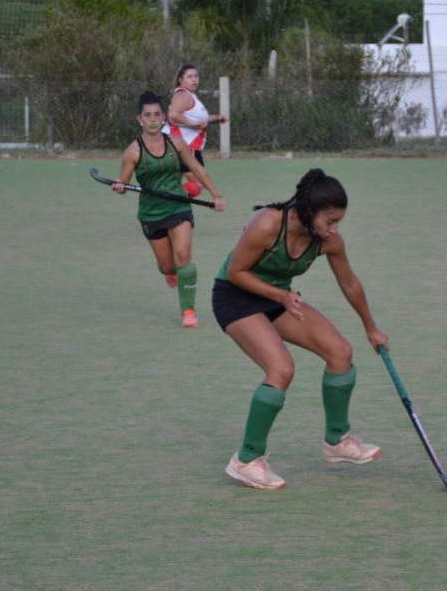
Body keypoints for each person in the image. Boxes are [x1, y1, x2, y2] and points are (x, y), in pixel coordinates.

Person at [214, 168, 389, 490]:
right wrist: (279, 294)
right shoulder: (268, 223)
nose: (334, 229)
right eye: (330, 221)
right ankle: (246, 460)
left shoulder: (328, 242)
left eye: (339, 221)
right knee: (281, 369)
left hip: (279, 298)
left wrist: (371, 327)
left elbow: (349, 282)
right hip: (235, 297)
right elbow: (237, 272)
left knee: (340, 352)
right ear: (309, 212)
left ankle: (337, 442)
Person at [113, 91, 226, 328]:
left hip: (179, 206)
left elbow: (196, 168)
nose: (153, 119)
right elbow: (123, 185)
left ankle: (188, 311)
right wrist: (120, 186)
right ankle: (171, 272)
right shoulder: (133, 151)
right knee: (167, 265)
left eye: (157, 115)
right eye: (147, 115)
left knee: (184, 256)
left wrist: (216, 195)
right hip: (151, 213)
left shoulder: (176, 143)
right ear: (139, 119)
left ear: (164, 117)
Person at [162, 64, 227, 199]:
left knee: (174, 182)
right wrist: (194, 125)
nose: (194, 79)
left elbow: (198, 119)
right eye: (190, 77)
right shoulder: (182, 95)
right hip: (183, 146)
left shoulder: (191, 96)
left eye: (196, 76)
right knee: (197, 182)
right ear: (181, 80)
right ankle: (169, 200)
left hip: (183, 145)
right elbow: (174, 115)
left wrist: (216, 118)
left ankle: (168, 201)